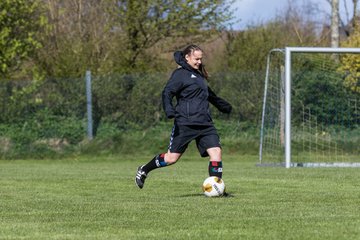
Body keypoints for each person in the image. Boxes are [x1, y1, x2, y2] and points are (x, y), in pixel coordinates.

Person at [135, 44, 232, 190]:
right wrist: (169, 109)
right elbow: (167, 92)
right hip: (185, 123)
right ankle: (144, 170)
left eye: (200, 59)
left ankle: (216, 188)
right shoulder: (180, 74)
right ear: (187, 57)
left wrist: (222, 105)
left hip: (205, 124)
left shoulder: (199, 75)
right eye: (196, 59)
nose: (199, 62)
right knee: (171, 158)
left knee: (216, 153)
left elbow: (208, 94)